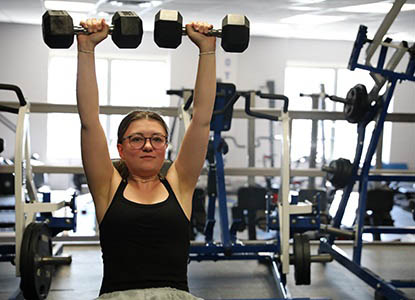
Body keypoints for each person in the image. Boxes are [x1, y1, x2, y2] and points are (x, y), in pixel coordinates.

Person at [76, 17, 216, 299]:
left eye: (156, 139)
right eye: (137, 139)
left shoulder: (179, 185)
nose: (148, 146)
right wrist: (86, 49)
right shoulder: (107, 187)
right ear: (121, 148)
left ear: (165, 146)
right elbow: (89, 120)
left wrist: (208, 50)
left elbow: (201, 119)